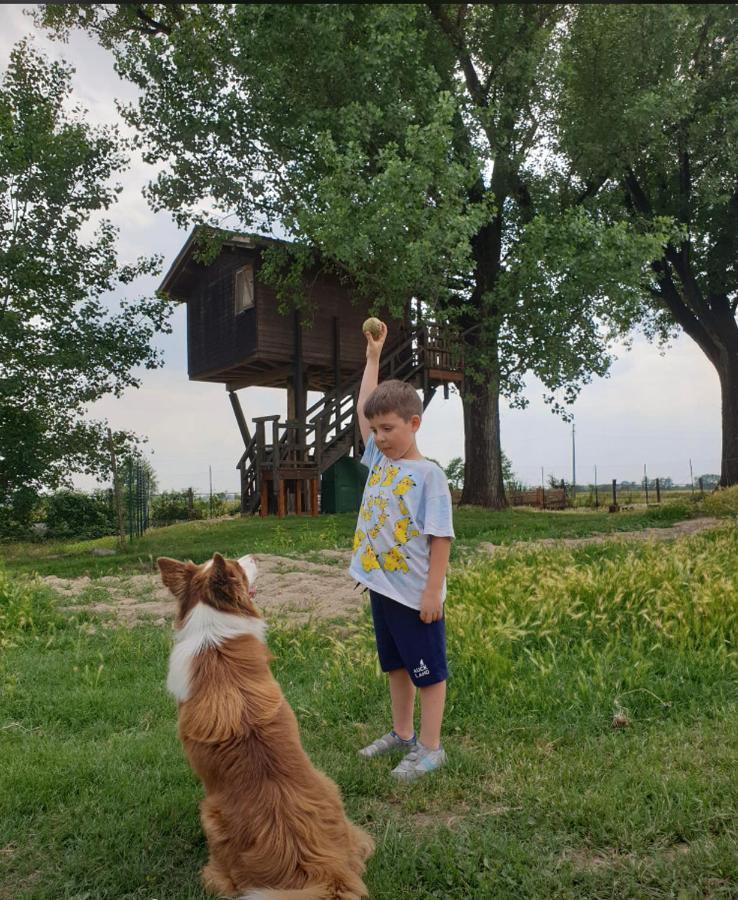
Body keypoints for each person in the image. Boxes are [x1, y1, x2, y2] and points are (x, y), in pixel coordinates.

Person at [348, 320, 454, 781]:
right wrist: (373, 357)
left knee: (427, 672)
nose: (379, 436)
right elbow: (362, 409)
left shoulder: (428, 475)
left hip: (415, 595)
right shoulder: (379, 460)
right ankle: (402, 734)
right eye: (375, 429)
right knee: (396, 667)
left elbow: (441, 538)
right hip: (382, 588)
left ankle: (431, 748)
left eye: (388, 428)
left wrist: (433, 592)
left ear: (414, 423)